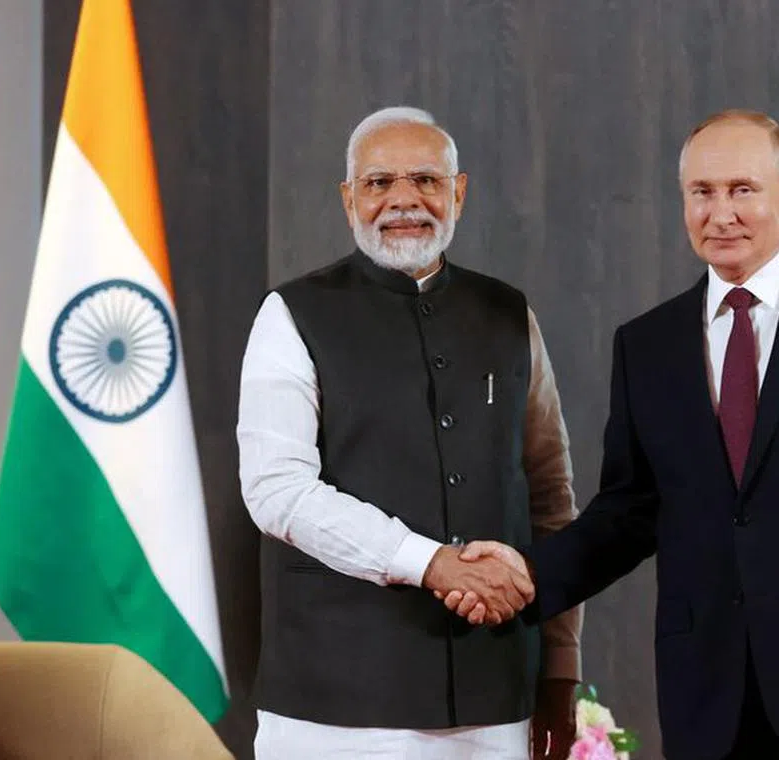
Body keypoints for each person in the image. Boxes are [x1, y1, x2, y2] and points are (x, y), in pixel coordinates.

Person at [443, 110, 779, 760]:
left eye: (743, 190)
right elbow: (629, 512)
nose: (722, 214)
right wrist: (526, 573)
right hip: (705, 696)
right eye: (703, 193)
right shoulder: (648, 344)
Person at [237, 106, 582, 760]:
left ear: (458, 193)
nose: (403, 200)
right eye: (378, 183)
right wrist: (431, 562)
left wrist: (559, 669)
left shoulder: (509, 315)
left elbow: (549, 501)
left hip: (495, 702)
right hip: (334, 709)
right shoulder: (290, 314)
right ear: (348, 199)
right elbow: (276, 491)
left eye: (425, 180)